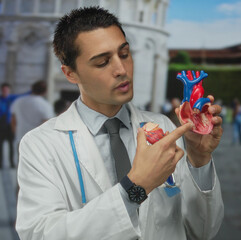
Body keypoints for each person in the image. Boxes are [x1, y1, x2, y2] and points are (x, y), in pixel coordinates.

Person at [16, 7, 224, 240]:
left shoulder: (163, 126)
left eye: (124, 54)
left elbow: (201, 231)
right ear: (70, 74)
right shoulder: (40, 144)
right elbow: (41, 234)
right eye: (103, 62)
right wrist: (135, 189)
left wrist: (199, 160)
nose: (121, 70)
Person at [10, 80, 54, 147]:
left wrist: (16, 134)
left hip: (21, 139)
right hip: (37, 142)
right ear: (45, 91)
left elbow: (13, 121)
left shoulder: (18, 101)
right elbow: (46, 125)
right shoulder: (45, 105)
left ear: (31, 88)